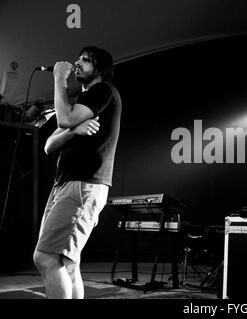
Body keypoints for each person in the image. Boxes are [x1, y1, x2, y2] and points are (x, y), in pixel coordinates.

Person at [33, 46, 122, 299]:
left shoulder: (103, 91)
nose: (77, 63)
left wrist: (59, 79)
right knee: (69, 264)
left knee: (46, 258)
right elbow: (49, 145)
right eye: (78, 58)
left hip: (84, 184)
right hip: (65, 184)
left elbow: (64, 118)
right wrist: (74, 130)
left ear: (100, 68)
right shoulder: (83, 103)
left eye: (85, 60)